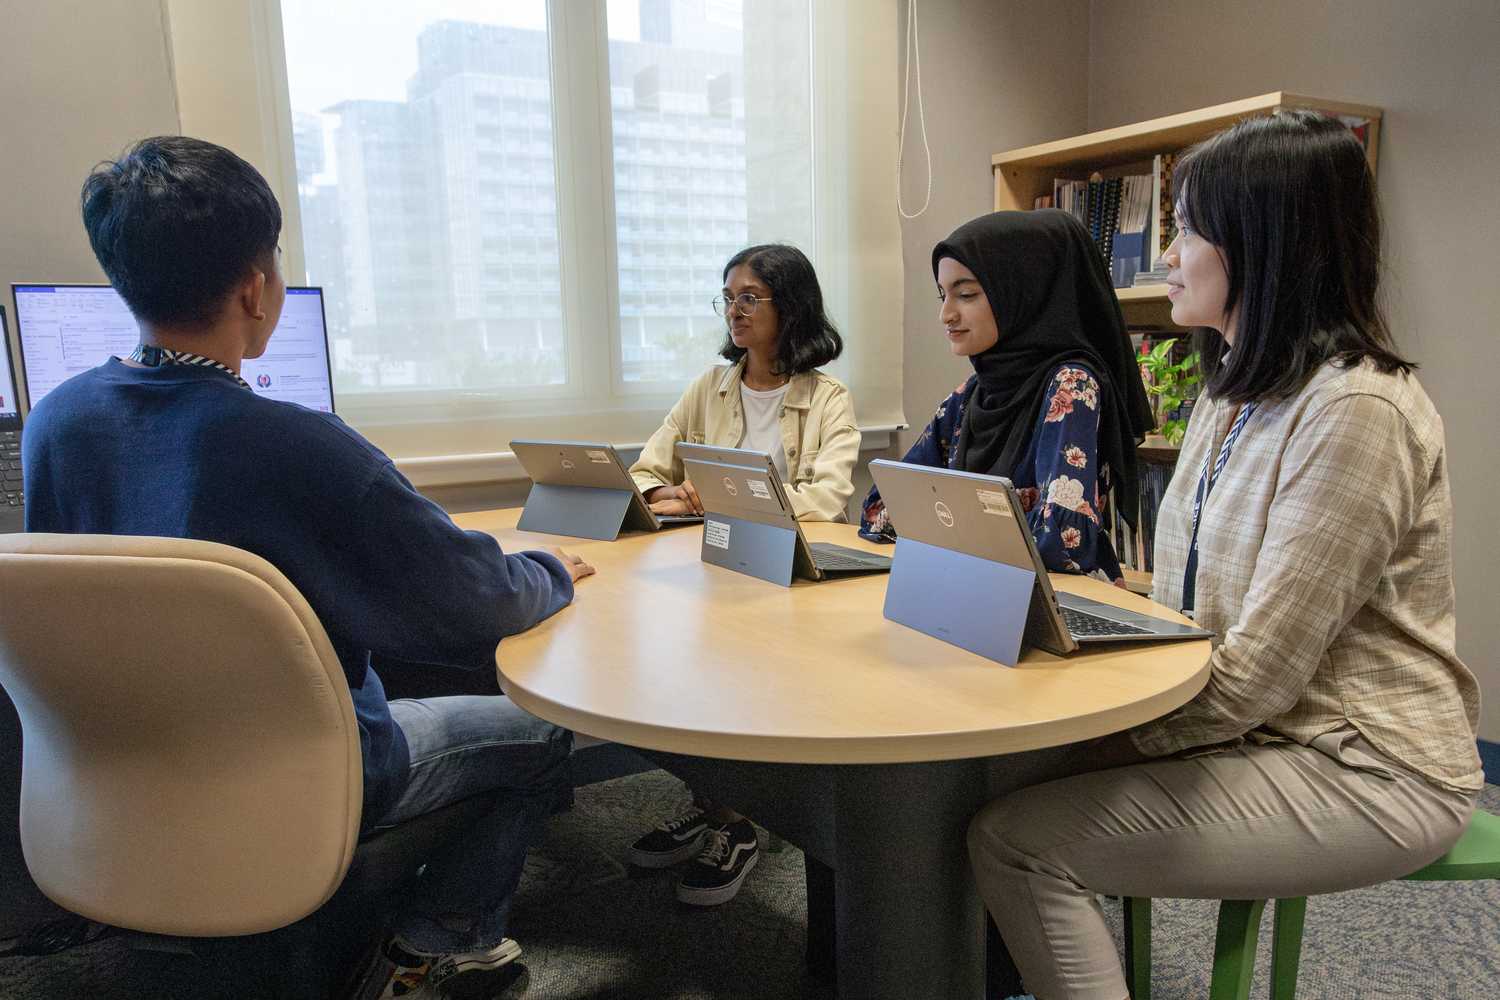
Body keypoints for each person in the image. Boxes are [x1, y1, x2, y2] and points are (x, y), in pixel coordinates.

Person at [21, 136, 596, 1000]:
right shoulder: (298, 447)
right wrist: (550, 569)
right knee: (540, 734)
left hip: (125, 765)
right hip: (304, 772)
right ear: (256, 287)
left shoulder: (54, 423)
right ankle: (437, 944)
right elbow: (475, 603)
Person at [966, 111, 1483, 1000]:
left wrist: (1094, 738)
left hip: (1365, 762)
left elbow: (1259, 678)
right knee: (986, 769)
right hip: (1262, 731)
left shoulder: (1358, 411)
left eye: (1188, 229)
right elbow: (1189, 607)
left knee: (1016, 841)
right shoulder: (1232, 391)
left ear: (1265, 242)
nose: (1166, 252)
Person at [626, 243, 857, 905]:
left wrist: (716, 497)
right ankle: (717, 805)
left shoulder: (827, 397)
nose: (735, 310)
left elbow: (828, 498)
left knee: (741, 688)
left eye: (749, 297)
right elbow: (647, 471)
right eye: (728, 297)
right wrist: (669, 495)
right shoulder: (709, 386)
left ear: (792, 306)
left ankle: (741, 827)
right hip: (710, 569)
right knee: (686, 681)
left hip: (787, 578)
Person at [859, 210, 1154, 583]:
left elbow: (1062, 542)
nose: (946, 314)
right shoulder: (973, 394)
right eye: (943, 295)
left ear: (1023, 290)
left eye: (965, 294)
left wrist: (946, 524)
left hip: (1057, 603)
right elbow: (880, 509)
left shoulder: (1072, 385)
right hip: (975, 591)